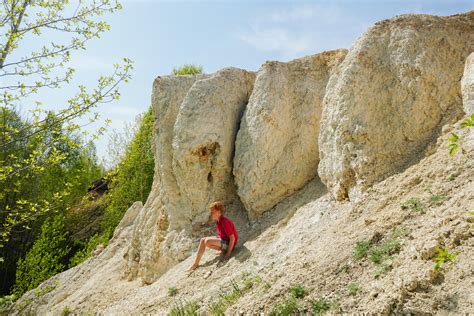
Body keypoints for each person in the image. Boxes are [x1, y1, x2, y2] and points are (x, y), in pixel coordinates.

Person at [188, 201, 238, 271]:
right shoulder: (218, 221)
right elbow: (223, 236)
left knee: (207, 241)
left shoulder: (225, 222)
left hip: (230, 244)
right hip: (224, 241)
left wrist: (228, 254)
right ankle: (195, 264)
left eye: (213, 211)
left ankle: (225, 251)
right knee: (203, 240)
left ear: (219, 211)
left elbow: (232, 239)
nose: (211, 213)